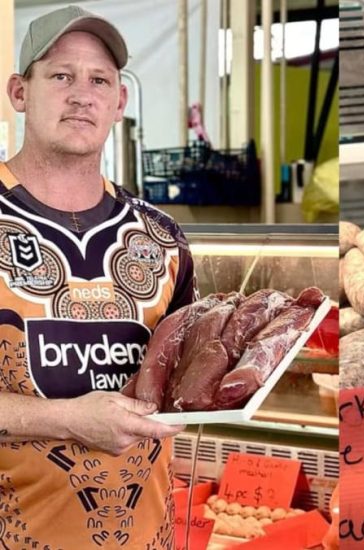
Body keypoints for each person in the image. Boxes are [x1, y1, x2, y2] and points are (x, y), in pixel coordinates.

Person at [0, 5, 196, 547]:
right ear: (20, 92)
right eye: (61, 75)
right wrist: (64, 419)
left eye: (99, 80)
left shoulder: (161, 238)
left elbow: (183, 383)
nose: (81, 94)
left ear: (118, 102)